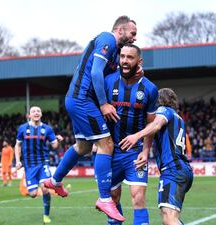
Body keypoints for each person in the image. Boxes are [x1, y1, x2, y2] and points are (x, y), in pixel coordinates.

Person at [44, 15, 137, 222]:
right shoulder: (107, 39)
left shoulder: (114, 52)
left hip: (77, 100)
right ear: (120, 30)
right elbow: (95, 73)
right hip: (83, 100)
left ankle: (55, 180)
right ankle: (105, 198)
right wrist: (104, 104)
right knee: (106, 144)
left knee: (83, 147)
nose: (134, 38)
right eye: (132, 33)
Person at [120, 88, 193, 225]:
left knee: (169, 218)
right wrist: (145, 151)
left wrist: (136, 135)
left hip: (172, 170)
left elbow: (156, 125)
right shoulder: (178, 118)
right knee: (170, 217)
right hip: (182, 169)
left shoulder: (164, 110)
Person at [104, 44, 158, 225]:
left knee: (138, 197)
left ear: (139, 61)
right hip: (111, 152)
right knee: (113, 198)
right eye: (123, 56)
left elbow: (151, 123)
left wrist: (146, 150)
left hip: (135, 152)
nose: (125, 61)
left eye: (130, 57)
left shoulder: (149, 88)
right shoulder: (108, 82)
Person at [15, 106, 64, 224]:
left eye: (38, 111)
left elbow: (54, 146)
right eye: (33, 111)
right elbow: (17, 145)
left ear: (41, 114)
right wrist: (17, 160)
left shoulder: (47, 129)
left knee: (45, 189)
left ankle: (46, 215)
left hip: (43, 163)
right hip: (29, 165)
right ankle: (41, 183)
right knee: (32, 194)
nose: (36, 113)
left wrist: (59, 141)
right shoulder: (22, 128)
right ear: (29, 115)